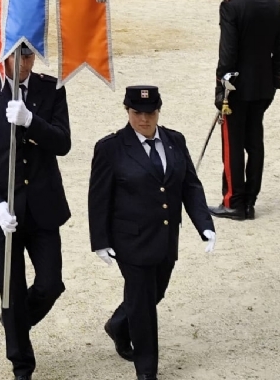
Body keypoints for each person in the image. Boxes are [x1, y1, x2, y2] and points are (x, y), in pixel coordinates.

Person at [89, 86, 215, 380]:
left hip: (166, 236)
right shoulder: (110, 148)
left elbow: (189, 186)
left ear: (159, 111)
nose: (144, 119)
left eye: (150, 113)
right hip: (130, 240)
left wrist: (205, 225)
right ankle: (147, 372)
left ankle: (119, 324)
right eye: (137, 113)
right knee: (144, 307)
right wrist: (100, 241)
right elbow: (98, 197)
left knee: (154, 292)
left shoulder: (174, 140)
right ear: (127, 111)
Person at [0, 43, 71, 380]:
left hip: (42, 207)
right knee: (10, 289)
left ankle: (15, 321)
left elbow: (62, 143)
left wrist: (31, 121)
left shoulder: (50, 89)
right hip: (1, 214)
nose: (24, 62)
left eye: (29, 55)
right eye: (17, 55)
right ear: (3, 56)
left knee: (51, 283)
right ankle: (22, 364)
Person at [209, 0, 280, 220]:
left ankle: (233, 201)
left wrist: (221, 90)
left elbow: (228, 54)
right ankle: (250, 200)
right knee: (255, 144)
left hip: (237, 89)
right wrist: (275, 81)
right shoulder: (274, 3)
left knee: (232, 145)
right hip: (263, 87)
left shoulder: (231, 6)